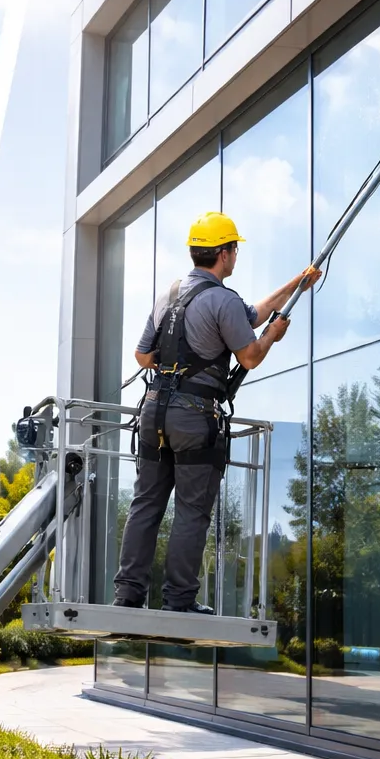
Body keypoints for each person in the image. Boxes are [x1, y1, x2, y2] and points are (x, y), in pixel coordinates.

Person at [112, 212, 319, 614]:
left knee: (146, 504)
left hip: (154, 413)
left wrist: (298, 283)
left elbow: (142, 355)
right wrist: (272, 337)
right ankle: (179, 601)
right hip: (193, 418)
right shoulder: (222, 300)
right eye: (234, 249)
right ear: (224, 254)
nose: (236, 255)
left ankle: (128, 595)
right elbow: (250, 356)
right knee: (191, 510)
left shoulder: (170, 294)